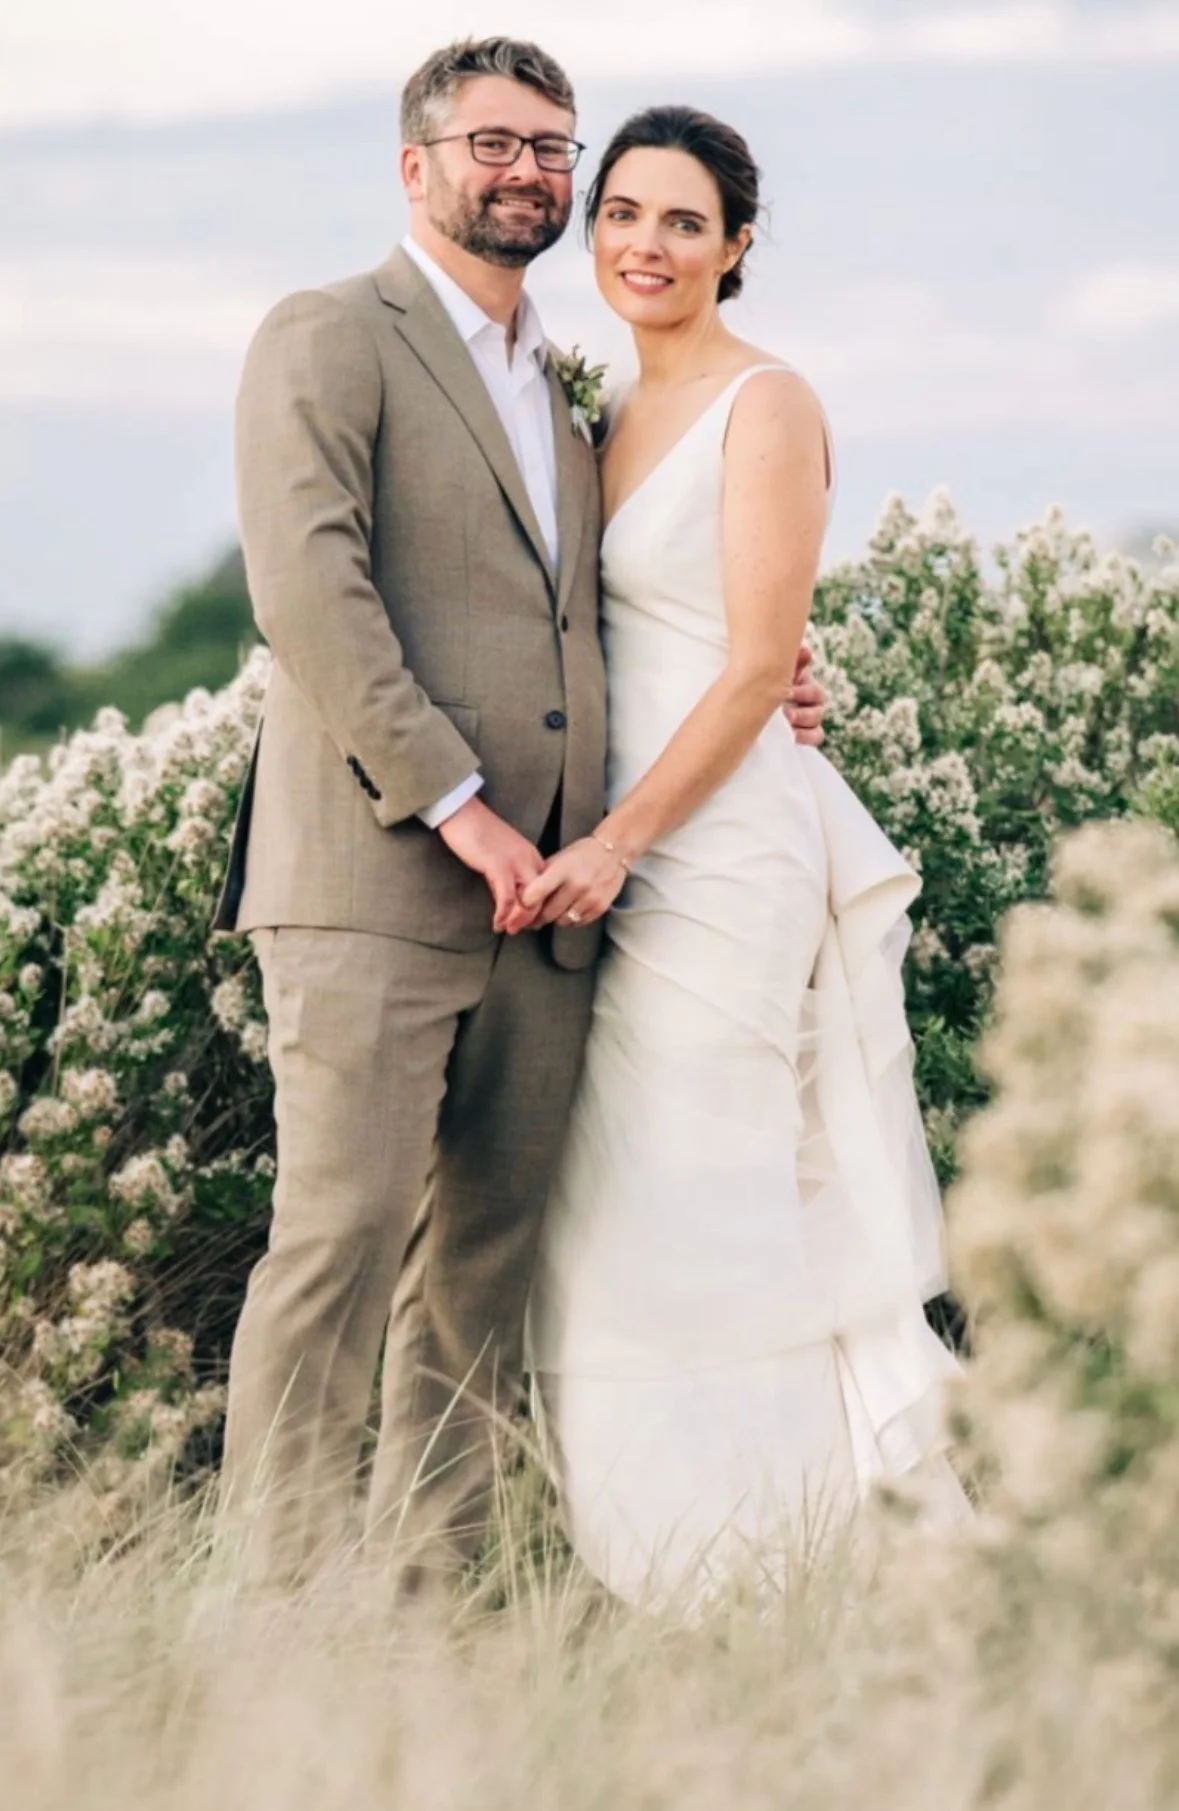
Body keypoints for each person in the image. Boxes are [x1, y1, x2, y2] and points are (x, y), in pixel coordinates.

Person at [212, 40, 826, 1588]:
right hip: (375, 882)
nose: (528, 173)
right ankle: (268, 1621)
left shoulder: (568, 389)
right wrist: (462, 810)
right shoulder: (329, 334)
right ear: (412, 165)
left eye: (552, 147)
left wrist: (779, 680)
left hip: (552, 914)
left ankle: (438, 1615)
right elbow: (312, 596)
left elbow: (606, 619)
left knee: (478, 1278)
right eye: (493, 142)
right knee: (336, 1253)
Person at [523, 106, 970, 1606]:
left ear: (736, 248)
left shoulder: (763, 402)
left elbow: (750, 666)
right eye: (623, 215)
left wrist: (612, 843)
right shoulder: (597, 417)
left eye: (682, 223)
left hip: (709, 858)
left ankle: (789, 1569)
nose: (646, 245)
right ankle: (662, 1563)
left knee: (719, 1196)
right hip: (625, 846)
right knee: (622, 1201)